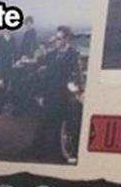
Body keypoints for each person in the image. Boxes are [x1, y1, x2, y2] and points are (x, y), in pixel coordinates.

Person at [31, 25, 83, 160]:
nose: (56, 41)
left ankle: (65, 153)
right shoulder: (51, 54)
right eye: (56, 38)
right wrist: (40, 94)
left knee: (64, 127)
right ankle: (39, 152)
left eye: (59, 39)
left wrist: (76, 91)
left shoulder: (73, 55)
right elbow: (45, 75)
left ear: (66, 39)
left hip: (65, 96)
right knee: (44, 124)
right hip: (50, 95)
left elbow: (77, 77)